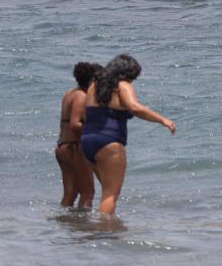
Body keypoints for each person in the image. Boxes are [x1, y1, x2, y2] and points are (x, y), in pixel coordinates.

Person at [80, 54, 175, 217]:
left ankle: (102, 229)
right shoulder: (122, 85)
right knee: (110, 194)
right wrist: (162, 120)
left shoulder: (93, 86)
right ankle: (105, 231)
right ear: (125, 74)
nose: (132, 81)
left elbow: (85, 114)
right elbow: (135, 107)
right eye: (132, 77)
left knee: (106, 190)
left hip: (88, 141)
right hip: (109, 143)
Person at [55, 62, 100, 208]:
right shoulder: (81, 96)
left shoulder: (70, 94)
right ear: (91, 80)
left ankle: (64, 223)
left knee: (71, 192)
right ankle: (83, 227)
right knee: (88, 192)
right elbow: (75, 124)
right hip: (74, 148)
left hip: (63, 147)